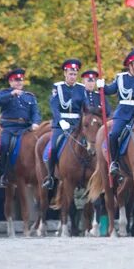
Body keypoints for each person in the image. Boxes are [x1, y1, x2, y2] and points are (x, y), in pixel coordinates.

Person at [96, 50, 134, 176]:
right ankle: (114, 162)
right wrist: (102, 86)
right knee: (114, 134)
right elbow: (110, 90)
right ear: (130, 65)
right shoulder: (120, 78)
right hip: (123, 113)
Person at [0, 68, 41, 186]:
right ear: (10, 82)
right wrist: (11, 94)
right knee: (4, 145)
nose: (19, 83)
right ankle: (1, 173)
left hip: (26, 128)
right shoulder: (4, 93)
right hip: (9, 127)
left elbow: (35, 112)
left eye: (21, 80)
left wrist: (36, 123)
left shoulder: (29, 96)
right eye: (16, 81)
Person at [43, 59, 86, 189]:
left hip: (77, 123)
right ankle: (50, 176)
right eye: (70, 74)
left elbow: (85, 107)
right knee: (54, 147)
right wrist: (61, 121)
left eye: (74, 74)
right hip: (61, 123)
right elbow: (54, 105)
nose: (72, 77)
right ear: (65, 74)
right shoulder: (58, 87)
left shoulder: (81, 88)